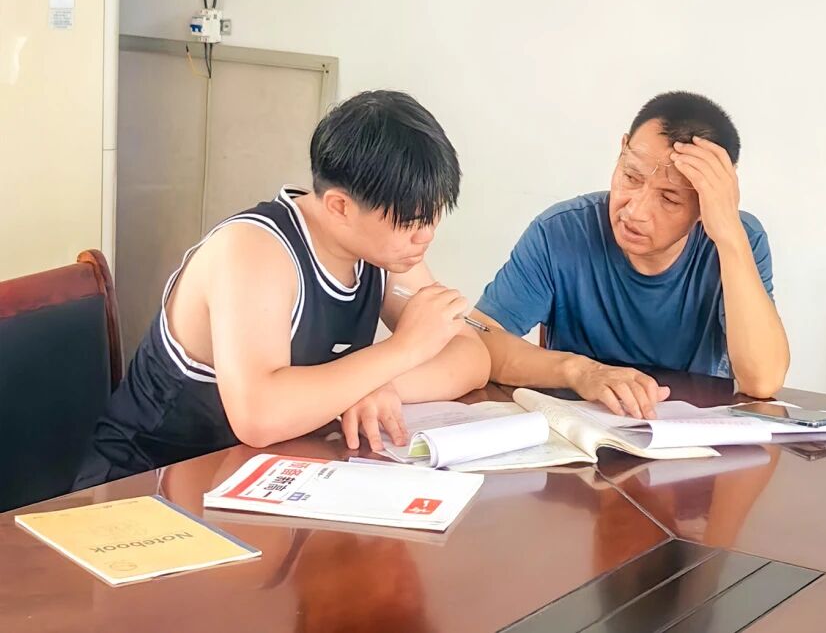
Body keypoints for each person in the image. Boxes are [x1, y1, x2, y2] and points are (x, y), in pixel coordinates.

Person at [76, 91, 490, 487]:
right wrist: (401, 351)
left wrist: (383, 385)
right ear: (340, 207)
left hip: (258, 476)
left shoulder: (384, 251)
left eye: (434, 216)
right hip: (143, 484)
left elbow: (470, 355)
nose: (426, 236)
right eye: (411, 222)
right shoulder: (254, 250)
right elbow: (259, 416)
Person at [472, 91, 788, 419]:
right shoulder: (560, 232)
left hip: (689, 436)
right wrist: (578, 371)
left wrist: (730, 237)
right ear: (622, 150)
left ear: (707, 203)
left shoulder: (738, 241)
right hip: (580, 434)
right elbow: (480, 338)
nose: (635, 211)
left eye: (669, 199)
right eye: (631, 177)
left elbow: (762, 381)